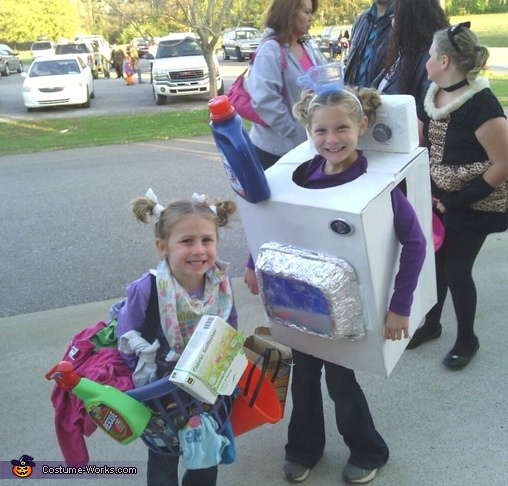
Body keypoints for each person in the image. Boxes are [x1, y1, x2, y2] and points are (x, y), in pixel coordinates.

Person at [246, 86, 426, 483]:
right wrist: (251, 261)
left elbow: (414, 242)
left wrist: (400, 305)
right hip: (299, 303)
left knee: (342, 382)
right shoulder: (303, 173)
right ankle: (303, 448)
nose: (331, 140)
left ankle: (368, 449)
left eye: (342, 128)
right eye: (321, 130)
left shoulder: (378, 184)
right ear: (308, 131)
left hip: (348, 311)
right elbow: (275, 216)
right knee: (305, 378)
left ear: (361, 126)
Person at [115, 190, 238, 486]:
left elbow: (229, 326)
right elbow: (125, 334)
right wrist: (140, 372)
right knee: (164, 455)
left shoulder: (220, 282)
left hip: (205, 386)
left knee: (206, 450)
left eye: (207, 240)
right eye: (186, 241)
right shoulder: (148, 288)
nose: (199, 250)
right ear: (162, 247)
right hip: (160, 390)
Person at [408, 22, 508, 368]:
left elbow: (502, 163)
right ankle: (432, 324)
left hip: (476, 202)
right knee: (434, 264)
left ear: (446, 61)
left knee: (457, 269)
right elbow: (423, 143)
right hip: (440, 198)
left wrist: (454, 200)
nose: (427, 62)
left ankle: (468, 338)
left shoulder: (482, 105)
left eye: (431, 56)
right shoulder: (433, 91)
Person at [246, 0, 324, 171]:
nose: (311, 18)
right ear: (288, 13)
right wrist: (295, 132)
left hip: (304, 146)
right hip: (275, 152)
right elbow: (265, 102)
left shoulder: (305, 46)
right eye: (306, 12)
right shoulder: (270, 50)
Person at [372, 0, 449, 109]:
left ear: (409, 21)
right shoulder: (402, 51)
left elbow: (425, 109)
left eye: (395, 16)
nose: (392, 22)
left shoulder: (429, 59)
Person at [344, 0, 394, 89]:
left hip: (383, 100)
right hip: (355, 99)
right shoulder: (361, 20)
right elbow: (350, 61)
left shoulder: (403, 21)